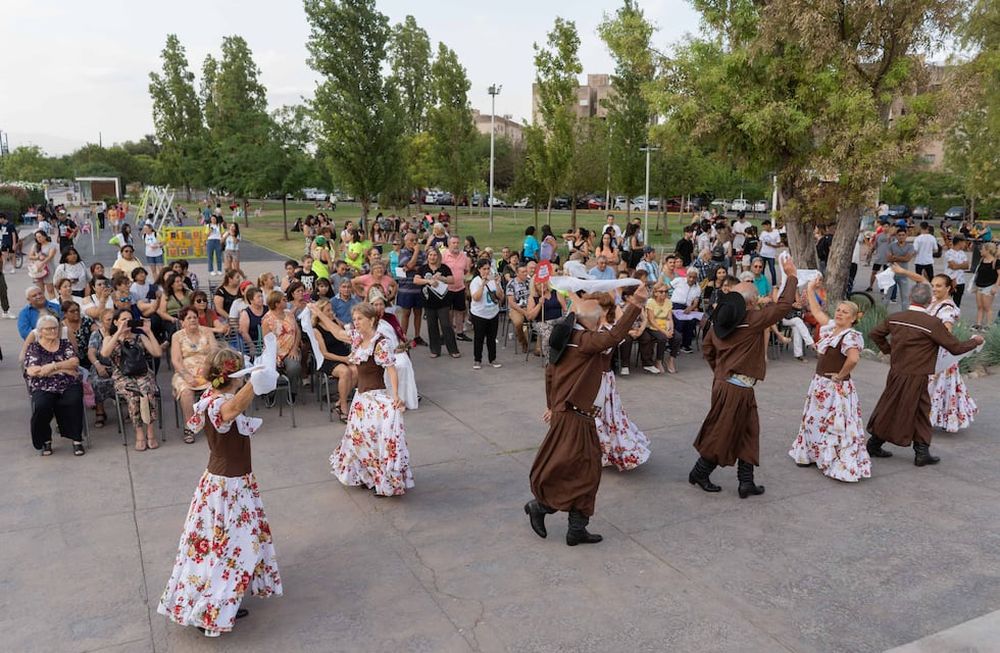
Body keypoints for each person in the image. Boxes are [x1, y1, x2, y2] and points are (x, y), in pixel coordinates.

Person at [158, 347, 282, 638]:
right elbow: (232, 410)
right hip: (228, 486)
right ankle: (211, 609)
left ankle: (218, 603)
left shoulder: (212, 398)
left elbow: (233, 408)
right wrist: (255, 381)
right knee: (235, 549)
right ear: (233, 376)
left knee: (222, 547)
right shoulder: (219, 403)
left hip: (226, 482)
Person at [524, 284, 646, 546]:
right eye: (600, 318)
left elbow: (550, 375)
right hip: (574, 419)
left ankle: (576, 528)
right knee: (578, 471)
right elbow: (612, 338)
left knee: (587, 471)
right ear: (592, 323)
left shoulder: (567, 340)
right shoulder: (584, 341)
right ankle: (542, 507)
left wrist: (552, 404)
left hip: (575, 415)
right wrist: (635, 303)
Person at [688, 256, 800, 497]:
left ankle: (746, 482)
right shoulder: (751, 321)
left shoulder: (721, 322)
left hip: (732, 385)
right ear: (750, 303)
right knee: (722, 433)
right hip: (734, 388)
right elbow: (782, 307)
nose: (759, 302)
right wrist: (791, 276)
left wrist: (720, 372)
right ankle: (700, 472)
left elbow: (708, 350)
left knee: (749, 431)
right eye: (756, 299)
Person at [866, 283, 982, 465]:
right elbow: (955, 347)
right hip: (918, 375)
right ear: (929, 301)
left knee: (895, 406)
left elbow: (875, 334)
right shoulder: (932, 323)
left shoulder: (896, 317)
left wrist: (889, 350)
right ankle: (913, 451)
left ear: (911, 298)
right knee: (912, 409)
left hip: (897, 372)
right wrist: (975, 341)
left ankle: (895, 447)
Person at [788, 279, 871, 481]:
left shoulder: (850, 335)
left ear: (853, 318)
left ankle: (835, 460)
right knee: (815, 419)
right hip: (820, 384)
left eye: (845, 312)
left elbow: (853, 358)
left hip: (835, 387)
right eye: (839, 310)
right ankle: (814, 454)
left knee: (834, 423)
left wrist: (840, 376)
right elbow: (817, 313)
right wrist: (809, 289)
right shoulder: (832, 329)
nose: (840, 313)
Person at [329, 302, 413, 496]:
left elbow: (391, 369)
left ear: (372, 320)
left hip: (375, 400)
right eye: (354, 319)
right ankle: (366, 476)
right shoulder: (358, 338)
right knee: (357, 439)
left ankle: (383, 480)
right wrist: (318, 313)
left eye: (360, 319)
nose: (356, 323)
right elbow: (337, 332)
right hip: (361, 400)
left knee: (375, 440)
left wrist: (396, 395)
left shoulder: (380, 342)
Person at [591, 294, 651, 471]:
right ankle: (598, 452)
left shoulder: (608, 330)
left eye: (598, 307)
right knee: (598, 416)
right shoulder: (596, 327)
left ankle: (607, 451)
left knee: (606, 415)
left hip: (602, 378)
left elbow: (603, 349)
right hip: (596, 377)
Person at [24, 314, 86, 456]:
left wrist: (51, 367)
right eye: (48, 329)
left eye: (55, 328)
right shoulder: (34, 347)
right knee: (42, 405)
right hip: (43, 385)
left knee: (73, 399)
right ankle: (45, 440)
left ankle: (76, 439)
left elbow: (74, 362)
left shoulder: (65, 344)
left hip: (68, 383)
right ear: (40, 332)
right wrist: (63, 368)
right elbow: (33, 371)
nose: (53, 331)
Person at [102, 311, 163, 451]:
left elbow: (157, 352)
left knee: (147, 392)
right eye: (123, 319)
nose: (127, 322)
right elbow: (105, 353)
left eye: (130, 319)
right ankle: (139, 433)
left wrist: (149, 331)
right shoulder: (109, 338)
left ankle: (150, 431)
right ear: (116, 322)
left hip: (142, 373)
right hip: (122, 376)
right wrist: (119, 333)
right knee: (134, 395)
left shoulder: (140, 337)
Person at [171, 307, 218, 443]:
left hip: (207, 369)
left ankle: (215, 423)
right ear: (182, 322)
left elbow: (214, 352)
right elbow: (176, 360)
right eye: (189, 318)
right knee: (186, 392)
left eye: (195, 317)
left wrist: (207, 371)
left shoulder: (207, 332)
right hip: (185, 372)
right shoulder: (177, 336)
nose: (192, 320)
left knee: (218, 387)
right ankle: (190, 426)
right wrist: (187, 376)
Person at [309, 298, 356, 422]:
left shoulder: (335, 322)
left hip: (344, 354)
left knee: (356, 371)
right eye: (328, 310)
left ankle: (340, 402)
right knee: (345, 372)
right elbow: (324, 353)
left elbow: (345, 332)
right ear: (320, 313)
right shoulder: (316, 330)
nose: (331, 313)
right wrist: (344, 359)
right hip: (329, 359)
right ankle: (344, 406)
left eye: (331, 310)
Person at [414, 247, 460, 358]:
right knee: (432, 326)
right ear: (427, 256)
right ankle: (435, 350)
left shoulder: (444, 268)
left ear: (438, 256)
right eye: (430, 255)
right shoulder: (423, 268)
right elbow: (416, 280)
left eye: (434, 255)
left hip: (443, 302)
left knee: (446, 325)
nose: (432, 257)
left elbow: (452, 280)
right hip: (429, 302)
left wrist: (441, 278)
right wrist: (428, 281)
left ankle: (453, 349)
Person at [261, 290, 302, 403]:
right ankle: (270, 392)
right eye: (284, 300)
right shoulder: (267, 319)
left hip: (290, 351)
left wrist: (294, 349)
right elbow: (267, 341)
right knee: (270, 368)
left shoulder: (289, 314)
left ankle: (292, 391)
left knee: (294, 367)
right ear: (277, 304)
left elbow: (297, 332)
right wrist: (275, 357)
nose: (286, 301)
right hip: (273, 352)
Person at [469, 259, 504, 370]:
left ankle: (492, 358)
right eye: (484, 269)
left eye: (488, 268)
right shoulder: (475, 281)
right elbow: (476, 297)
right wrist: (483, 285)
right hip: (479, 314)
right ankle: (477, 359)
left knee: (492, 338)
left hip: (493, 313)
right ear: (479, 269)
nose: (486, 271)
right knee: (479, 338)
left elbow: (500, 296)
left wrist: (498, 284)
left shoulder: (493, 280)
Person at [87, 308, 116, 427]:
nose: (111, 322)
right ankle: (100, 410)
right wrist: (98, 365)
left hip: (119, 366)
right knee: (96, 381)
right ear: (102, 321)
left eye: (113, 319)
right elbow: (91, 353)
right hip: (101, 364)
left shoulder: (121, 332)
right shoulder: (97, 334)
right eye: (108, 319)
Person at [644, 283, 681, 374]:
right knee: (662, 338)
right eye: (661, 292)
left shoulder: (668, 302)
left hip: (665, 325)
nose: (664, 293)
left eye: (666, 291)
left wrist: (671, 329)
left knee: (678, 337)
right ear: (655, 293)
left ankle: (671, 359)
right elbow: (651, 320)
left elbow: (669, 318)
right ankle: (659, 360)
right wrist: (664, 332)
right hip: (653, 327)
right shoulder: (650, 302)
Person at [441, 236, 472, 342]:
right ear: (449, 244)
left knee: (460, 311)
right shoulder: (444, 255)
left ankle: (459, 333)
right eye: (453, 243)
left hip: (460, 288)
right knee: (448, 312)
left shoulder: (463, 256)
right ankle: (448, 334)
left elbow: (466, 270)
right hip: (447, 288)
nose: (456, 245)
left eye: (457, 243)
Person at [670, 268, 703, 353]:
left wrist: (691, 308)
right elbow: (666, 288)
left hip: (687, 307)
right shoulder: (679, 281)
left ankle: (685, 345)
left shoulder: (697, 288)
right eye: (690, 277)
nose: (691, 279)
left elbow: (695, 302)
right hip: (675, 305)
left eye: (694, 277)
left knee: (691, 322)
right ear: (687, 276)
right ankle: (672, 345)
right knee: (679, 322)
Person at [972, 242, 999, 330]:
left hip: (989, 285)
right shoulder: (982, 260)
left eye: (982, 249)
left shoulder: (995, 262)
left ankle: (988, 325)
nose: (980, 251)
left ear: (987, 250)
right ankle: (978, 324)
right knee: (979, 306)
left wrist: (996, 286)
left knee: (987, 307)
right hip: (979, 285)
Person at [506, 264, 532, 353]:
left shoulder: (530, 281)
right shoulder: (511, 284)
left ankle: (539, 347)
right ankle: (523, 342)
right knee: (518, 322)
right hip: (516, 308)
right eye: (523, 272)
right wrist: (523, 312)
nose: (525, 273)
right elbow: (511, 302)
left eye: (526, 271)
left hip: (530, 307)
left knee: (543, 319)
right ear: (517, 273)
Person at [942, 234, 971, 308]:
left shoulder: (963, 253)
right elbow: (953, 266)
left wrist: (957, 265)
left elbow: (967, 266)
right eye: (964, 242)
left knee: (957, 303)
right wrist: (961, 265)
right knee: (946, 301)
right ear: (959, 242)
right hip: (950, 280)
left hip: (961, 281)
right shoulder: (949, 253)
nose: (965, 244)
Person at [238, 287, 268, 357]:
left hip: (268, 342)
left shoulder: (267, 309)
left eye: (261, 296)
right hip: (254, 343)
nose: (261, 299)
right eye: (258, 297)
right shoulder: (246, 313)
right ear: (251, 300)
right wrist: (251, 346)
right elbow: (244, 332)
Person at [28, 230, 59, 297]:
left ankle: (53, 305)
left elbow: (50, 256)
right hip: (38, 271)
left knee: (50, 290)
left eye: (40, 237)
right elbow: (30, 256)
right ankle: (42, 305)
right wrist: (37, 257)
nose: (38, 239)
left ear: (45, 236)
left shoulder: (51, 245)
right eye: (37, 237)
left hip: (49, 269)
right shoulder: (35, 246)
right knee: (40, 291)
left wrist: (42, 263)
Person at [758, 220, 781, 285]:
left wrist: (771, 245)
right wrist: (758, 251)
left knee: (772, 269)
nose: (764, 228)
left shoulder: (776, 233)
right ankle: (762, 281)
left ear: (769, 225)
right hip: (763, 254)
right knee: (761, 268)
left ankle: (774, 283)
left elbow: (778, 245)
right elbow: (760, 243)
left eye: (765, 226)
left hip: (771, 255)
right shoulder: (763, 233)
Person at [205, 212, 224, 276]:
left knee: (219, 256)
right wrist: (210, 230)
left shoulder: (220, 225)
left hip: (218, 241)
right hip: (210, 241)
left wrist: (222, 239)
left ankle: (219, 270)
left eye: (214, 219)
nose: (213, 220)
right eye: (212, 219)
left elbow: (222, 234)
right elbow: (207, 235)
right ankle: (211, 270)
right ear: (210, 219)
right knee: (210, 256)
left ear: (216, 219)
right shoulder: (208, 225)